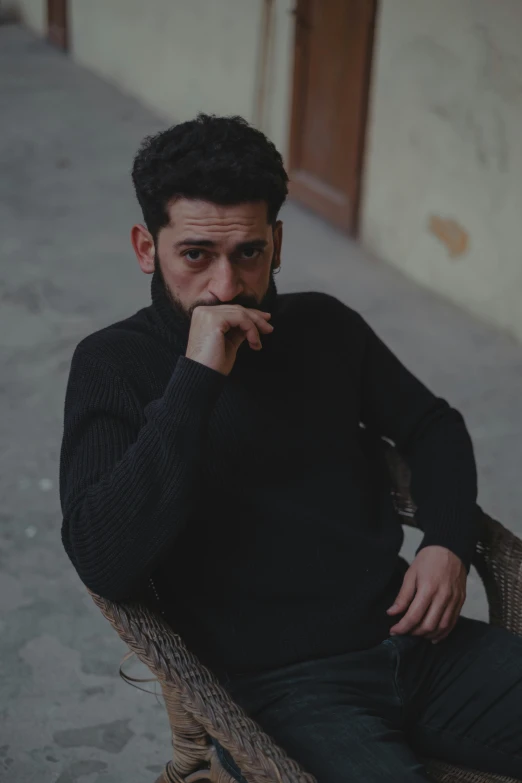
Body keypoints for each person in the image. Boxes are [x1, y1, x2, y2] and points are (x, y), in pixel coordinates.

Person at [60, 114, 522, 781]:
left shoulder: (324, 326)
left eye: (247, 252)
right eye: (196, 254)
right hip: (285, 691)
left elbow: (433, 424)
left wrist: (446, 543)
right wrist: (195, 380)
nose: (224, 286)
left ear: (276, 243)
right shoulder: (112, 363)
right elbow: (103, 558)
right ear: (144, 247)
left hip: (420, 643)